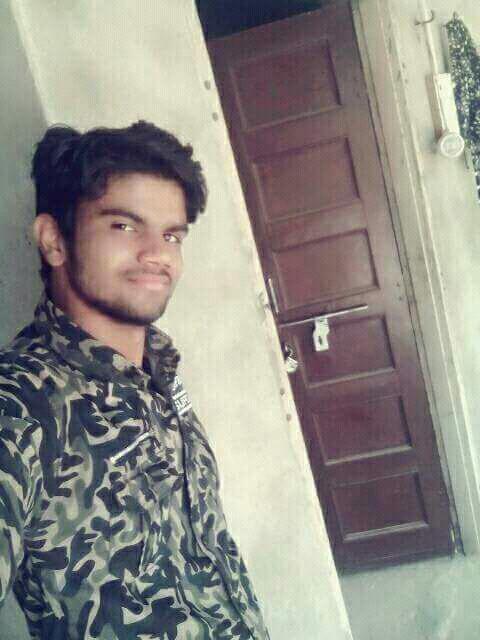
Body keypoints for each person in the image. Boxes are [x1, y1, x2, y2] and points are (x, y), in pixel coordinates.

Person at [0, 121, 269, 639]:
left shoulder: (160, 368)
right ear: (54, 240)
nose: (157, 254)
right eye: (124, 226)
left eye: (171, 235)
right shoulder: (21, 401)